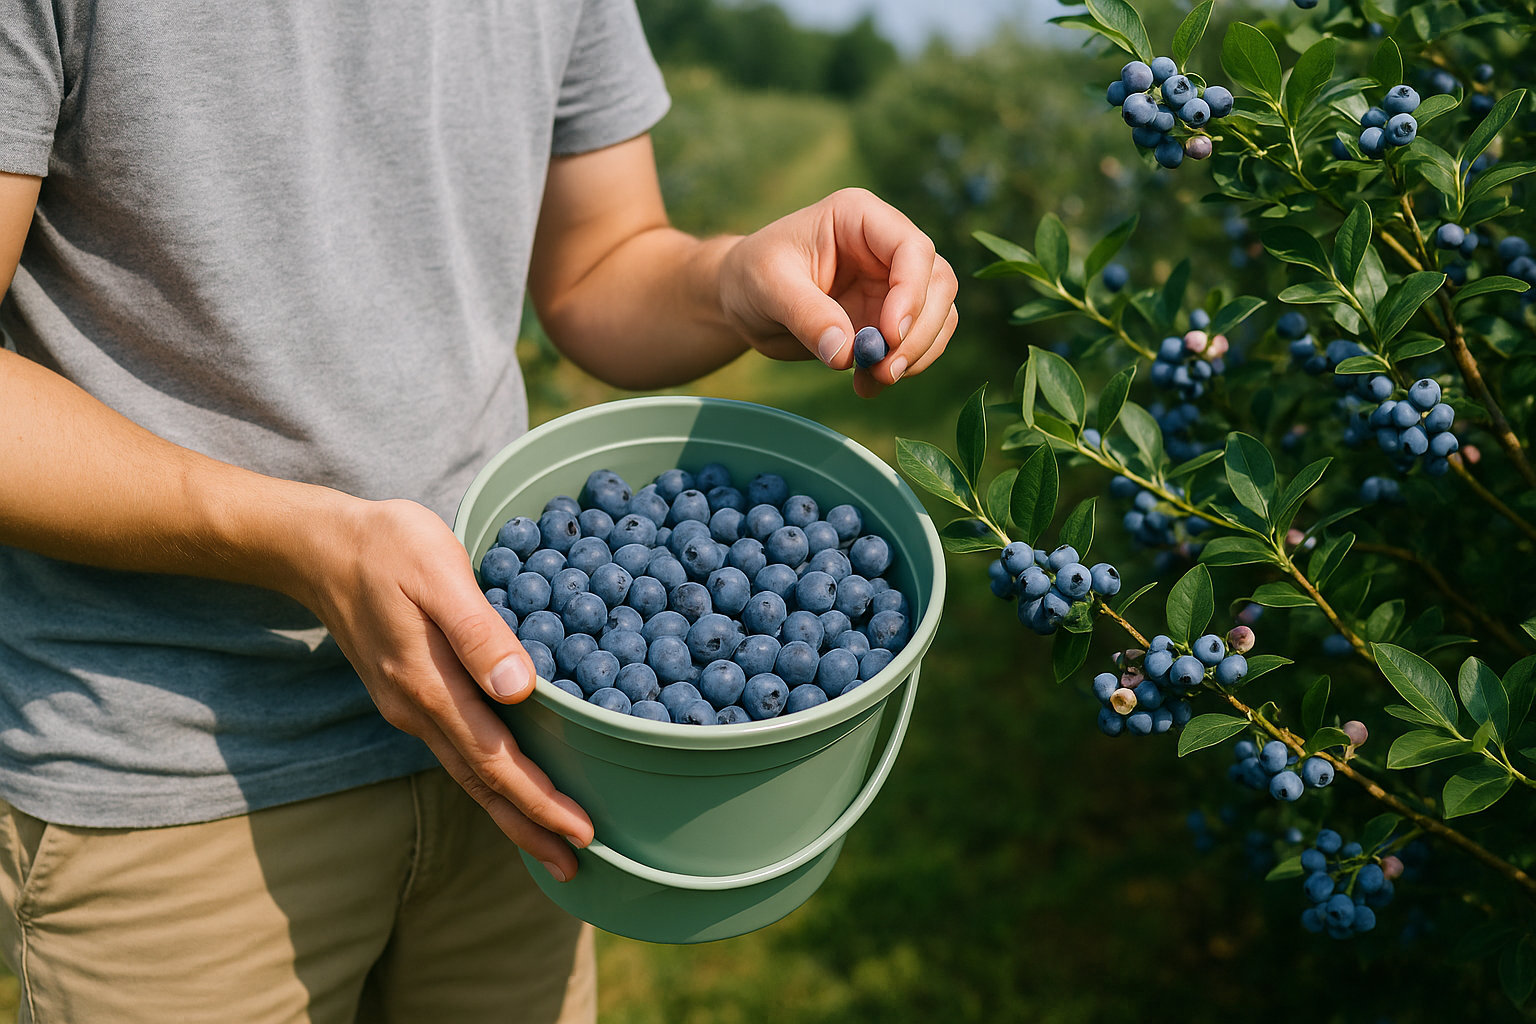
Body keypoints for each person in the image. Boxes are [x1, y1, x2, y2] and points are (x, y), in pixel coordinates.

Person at [0, 1, 957, 1020]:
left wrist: (727, 280)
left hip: (527, 734)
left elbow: (599, 259)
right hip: (180, 766)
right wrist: (301, 542)